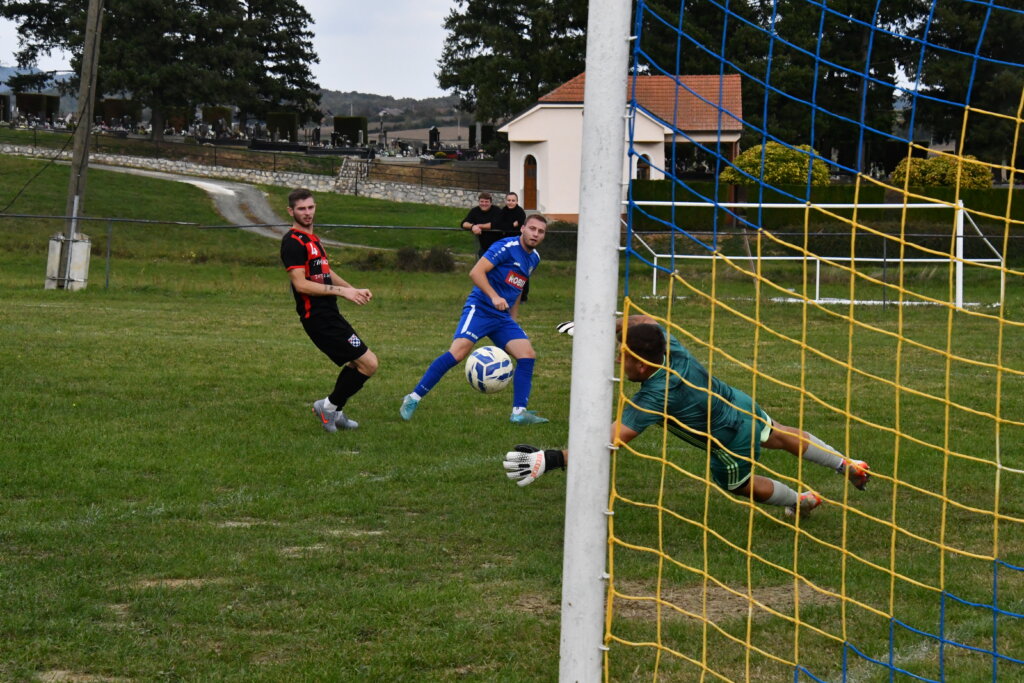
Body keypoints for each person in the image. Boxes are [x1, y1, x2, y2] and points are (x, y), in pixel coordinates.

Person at [502, 316, 870, 517]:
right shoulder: (668, 347)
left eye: (624, 356)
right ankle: (846, 464)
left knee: (738, 486)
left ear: (643, 364)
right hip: (737, 402)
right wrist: (605, 324)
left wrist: (551, 460)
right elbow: (647, 320)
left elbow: (608, 441)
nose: (618, 360)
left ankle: (799, 501)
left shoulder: (654, 396)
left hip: (728, 441)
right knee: (778, 433)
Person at [400, 214, 551, 425]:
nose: (535, 234)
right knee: (458, 353)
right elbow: (476, 272)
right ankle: (413, 398)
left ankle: (519, 412)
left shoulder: (534, 258)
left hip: (502, 316)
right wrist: (494, 296)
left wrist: (513, 319)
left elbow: (518, 287)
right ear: (523, 228)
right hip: (480, 308)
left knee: (527, 355)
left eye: (540, 231)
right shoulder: (505, 247)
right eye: (532, 229)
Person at [280, 188, 379, 433]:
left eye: (310, 207)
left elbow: (326, 272)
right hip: (317, 318)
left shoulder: (313, 240)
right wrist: (341, 292)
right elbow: (300, 283)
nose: (307, 213)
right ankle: (329, 407)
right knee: (369, 364)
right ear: (291, 211)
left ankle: (334, 410)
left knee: (360, 364)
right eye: (301, 209)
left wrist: (352, 289)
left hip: (330, 314)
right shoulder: (292, 242)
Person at [494, 192, 531, 302]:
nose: (510, 202)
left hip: (519, 245)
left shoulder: (520, 212)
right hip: (506, 245)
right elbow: (498, 225)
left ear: (517, 201)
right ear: (506, 201)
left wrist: (510, 225)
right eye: (509, 200)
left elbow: (520, 226)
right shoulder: (502, 212)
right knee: (507, 271)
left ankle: (523, 297)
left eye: (513, 200)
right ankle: (508, 294)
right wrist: (511, 224)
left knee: (521, 271)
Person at [461, 192, 500, 256]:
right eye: (482, 201)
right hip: (484, 248)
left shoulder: (496, 210)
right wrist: (473, 227)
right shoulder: (475, 211)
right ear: (479, 202)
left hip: (498, 246)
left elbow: (497, 223)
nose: (484, 204)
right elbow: (463, 223)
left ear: (491, 202)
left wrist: (479, 226)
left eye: (486, 202)